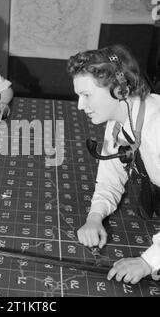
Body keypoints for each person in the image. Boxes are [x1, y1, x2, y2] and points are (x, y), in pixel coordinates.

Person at [67, 44, 160, 284]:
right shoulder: (119, 122)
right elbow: (110, 179)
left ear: (119, 90)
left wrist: (148, 261)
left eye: (86, 95)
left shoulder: (157, 128)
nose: (80, 105)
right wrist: (95, 216)